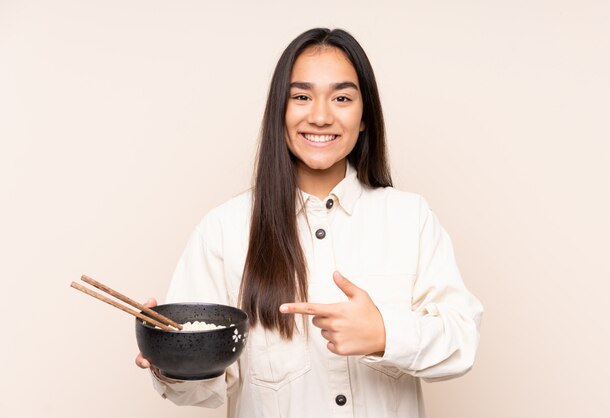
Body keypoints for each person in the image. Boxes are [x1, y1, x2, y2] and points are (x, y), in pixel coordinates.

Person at [136, 27, 483, 418]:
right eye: (301, 97)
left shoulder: (410, 217)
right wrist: (172, 361)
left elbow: (462, 341)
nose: (320, 116)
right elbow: (204, 392)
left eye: (341, 98)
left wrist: (386, 333)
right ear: (279, 112)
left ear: (365, 115)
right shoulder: (224, 229)